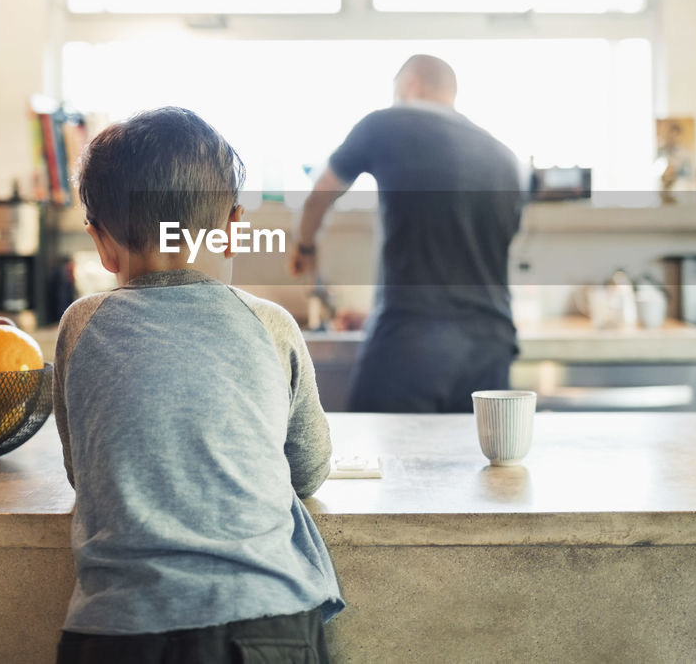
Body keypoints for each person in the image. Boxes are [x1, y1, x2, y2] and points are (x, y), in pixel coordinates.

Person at [54, 107, 344, 663]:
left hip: (116, 633)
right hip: (266, 621)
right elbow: (308, 469)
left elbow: (83, 473)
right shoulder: (270, 324)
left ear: (101, 242)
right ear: (233, 228)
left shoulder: (79, 325)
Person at [289, 55, 523, 413]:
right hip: (490, 348)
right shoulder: (506, 160)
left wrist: (305, 246)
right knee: (474, 466)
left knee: (375, 461)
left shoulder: (386, 124)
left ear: (410, 86)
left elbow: (320, 194)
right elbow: (467, 272)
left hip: (411, 347)